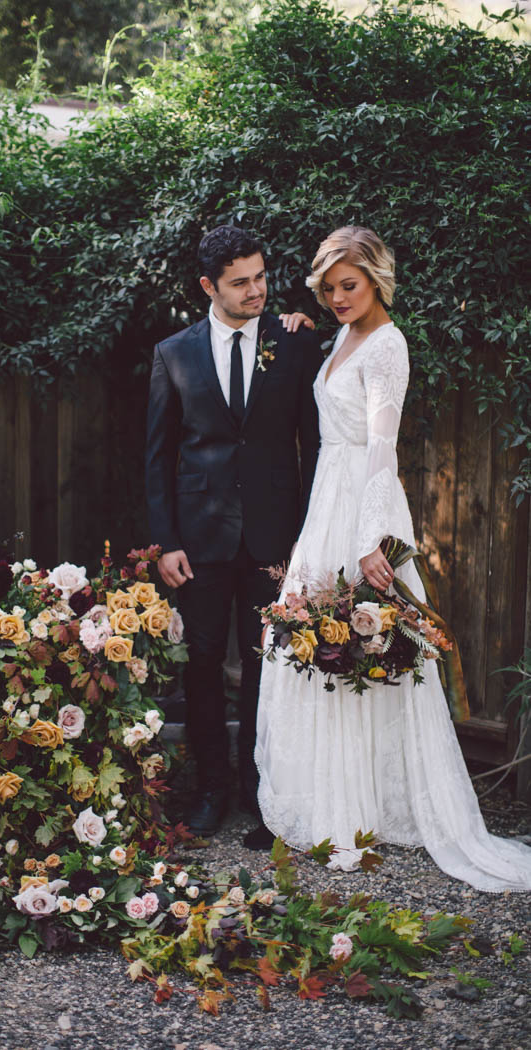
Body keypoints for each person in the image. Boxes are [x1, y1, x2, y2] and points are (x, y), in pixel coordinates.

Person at [255, 226, 531, 890]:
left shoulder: (388, 346)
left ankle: (367, 807)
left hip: (364, 506)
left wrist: (372, 538)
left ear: (378, 277)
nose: (337, 297)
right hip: (326, 501)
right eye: (327, 289)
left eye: (348, 285)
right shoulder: (338, 338)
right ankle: (333, 800)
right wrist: (293, 320)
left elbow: (383, 445)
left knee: (367, 647)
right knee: (312, 642)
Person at [145, 225, 322, 845]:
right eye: (241, 282)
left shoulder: (294, 343)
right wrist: (166, 540)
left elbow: (316, 444)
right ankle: (211, 790)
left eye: (262, 277)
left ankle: (256, 789)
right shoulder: (174, 353)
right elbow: (159, 456)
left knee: (264, 665)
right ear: (208, 286)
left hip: (274, 538)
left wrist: (310, 536)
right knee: (198, 665)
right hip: (197, 542)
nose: (256, 291)